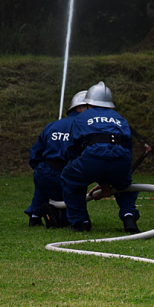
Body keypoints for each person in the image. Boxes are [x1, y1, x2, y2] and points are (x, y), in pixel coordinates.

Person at [60, 81, 140, 233]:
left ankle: (80, 222)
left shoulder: (81, 118)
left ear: (88, 103)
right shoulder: (121, 119)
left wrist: (88, 172)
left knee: (70, 178)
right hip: (121, 159)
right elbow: (128, 149)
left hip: (92, 156)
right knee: (124, 185)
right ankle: (129, 216)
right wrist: (108, 180)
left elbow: (72, 149)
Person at [25, 91, 88, 228]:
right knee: (73, 193)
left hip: (45, 173)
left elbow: (35, 153)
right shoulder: (86, 127)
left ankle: (34, 216)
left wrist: (39, 170)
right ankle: (72, 219)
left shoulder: (52, 126)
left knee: (43, 180)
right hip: (69, 176)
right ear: (78, 108)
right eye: (90, 107)